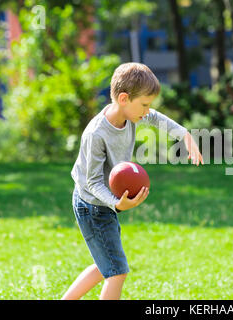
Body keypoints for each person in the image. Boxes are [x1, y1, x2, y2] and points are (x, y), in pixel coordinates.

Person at [62, 62, 204, 300]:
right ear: (124, 99)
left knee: (105, 265)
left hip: (103, 204)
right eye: (145, 105)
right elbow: (92, 182)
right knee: (117, 272)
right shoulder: (96, 133)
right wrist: (116, 204)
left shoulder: (132, 114)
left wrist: (184, 134)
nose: (148, 111)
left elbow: (156, 118)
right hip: (91, 204)